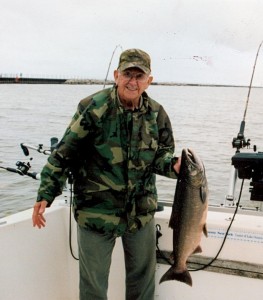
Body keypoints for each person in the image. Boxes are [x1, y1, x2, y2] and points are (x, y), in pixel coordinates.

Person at [32, 48, 181, 300]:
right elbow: (64, 153)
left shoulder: (157, 114)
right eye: (127, 74)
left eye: (139, 76)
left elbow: (161, 157)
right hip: (95, 212)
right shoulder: (92, 107)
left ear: (149, 81)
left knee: (142, 283)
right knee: (93, 288)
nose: (132, 82)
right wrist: (46, 192)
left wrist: (175, 166)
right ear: (116, 75)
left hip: (140, 213)